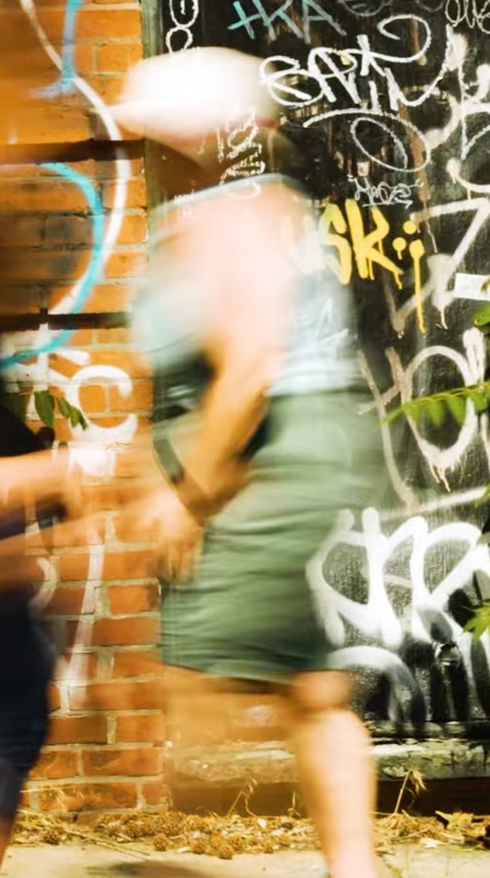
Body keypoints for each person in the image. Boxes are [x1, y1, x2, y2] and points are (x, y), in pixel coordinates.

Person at [114, 47, 384, 878]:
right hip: (261, 455)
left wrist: (187, 494)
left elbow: (250, 370)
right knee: (307, 688)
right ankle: (353, 868)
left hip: (264, 459)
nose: (144, 153)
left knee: (191, 677)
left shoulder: (234, 221)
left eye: (151, 137)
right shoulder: (222, 218)